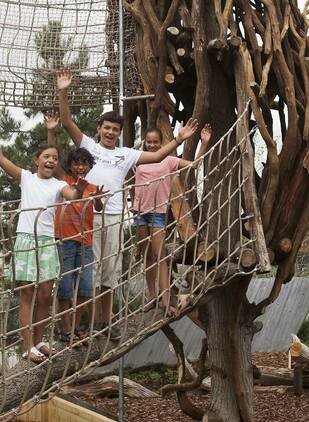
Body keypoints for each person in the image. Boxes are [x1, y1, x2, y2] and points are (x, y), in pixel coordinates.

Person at [56, 67, 199, 340]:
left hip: (112, 217)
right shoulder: (89, 146)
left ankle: (106, 322)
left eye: (115, 130)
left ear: (120, 134)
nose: (110, 133)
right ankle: (88, 323)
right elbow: (66, 122)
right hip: (88, 218)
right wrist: (63, 91)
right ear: (99, 129)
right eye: (107, 128)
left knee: (110, 272)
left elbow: (157, 158)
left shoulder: (125, 154)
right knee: (91, 272)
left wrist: (178, 140)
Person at [0, 111, 88, 363]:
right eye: (46, 156)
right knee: (27, 294)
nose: (51, 160)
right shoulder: (26, 178)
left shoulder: (58, 185)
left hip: (47, 242)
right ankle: (27, 347)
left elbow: (75, 197)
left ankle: (39, 341)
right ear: (36, 160)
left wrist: (80, 187)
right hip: (27, 240)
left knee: (46, 295)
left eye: (55, 158)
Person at [131, 126, 211, 317]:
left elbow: (195, 165)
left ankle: (167, 302)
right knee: (146, 256)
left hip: (157, 214)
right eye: (148, 142)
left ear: (162, 144)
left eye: (155, 142)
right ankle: (153, 297)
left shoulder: (168, 160)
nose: (151, 145)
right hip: (140, 213)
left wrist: (204, 142)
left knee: (161, 256)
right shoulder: (139, 160)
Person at [46, 113, 107, 344]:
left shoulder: (91, 187)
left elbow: (98, 209)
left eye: (84, 163)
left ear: (90, 167)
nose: (80, 166)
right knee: (64, 285)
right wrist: (52, 130)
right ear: (70, 166)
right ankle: (65, 329)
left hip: (86, 241)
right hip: (64, 239)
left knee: (85, 287)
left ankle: (78, 326)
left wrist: (99, 199)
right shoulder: (64, 181)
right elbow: (52, 156)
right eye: (76, 163)